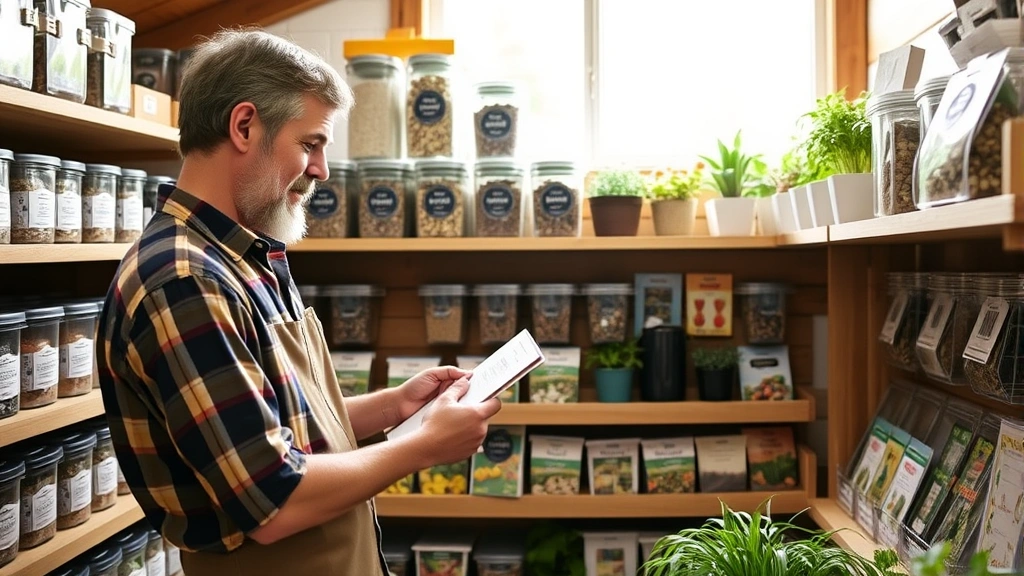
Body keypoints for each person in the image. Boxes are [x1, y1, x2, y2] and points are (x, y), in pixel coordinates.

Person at [96, 28, 501, 576]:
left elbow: (271, 425)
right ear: (244, 126)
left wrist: (394, 408)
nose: (322, 170)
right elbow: (273, 499)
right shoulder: (184, 281)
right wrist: (424, 447)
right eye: (309, 143)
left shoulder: (244, 254)